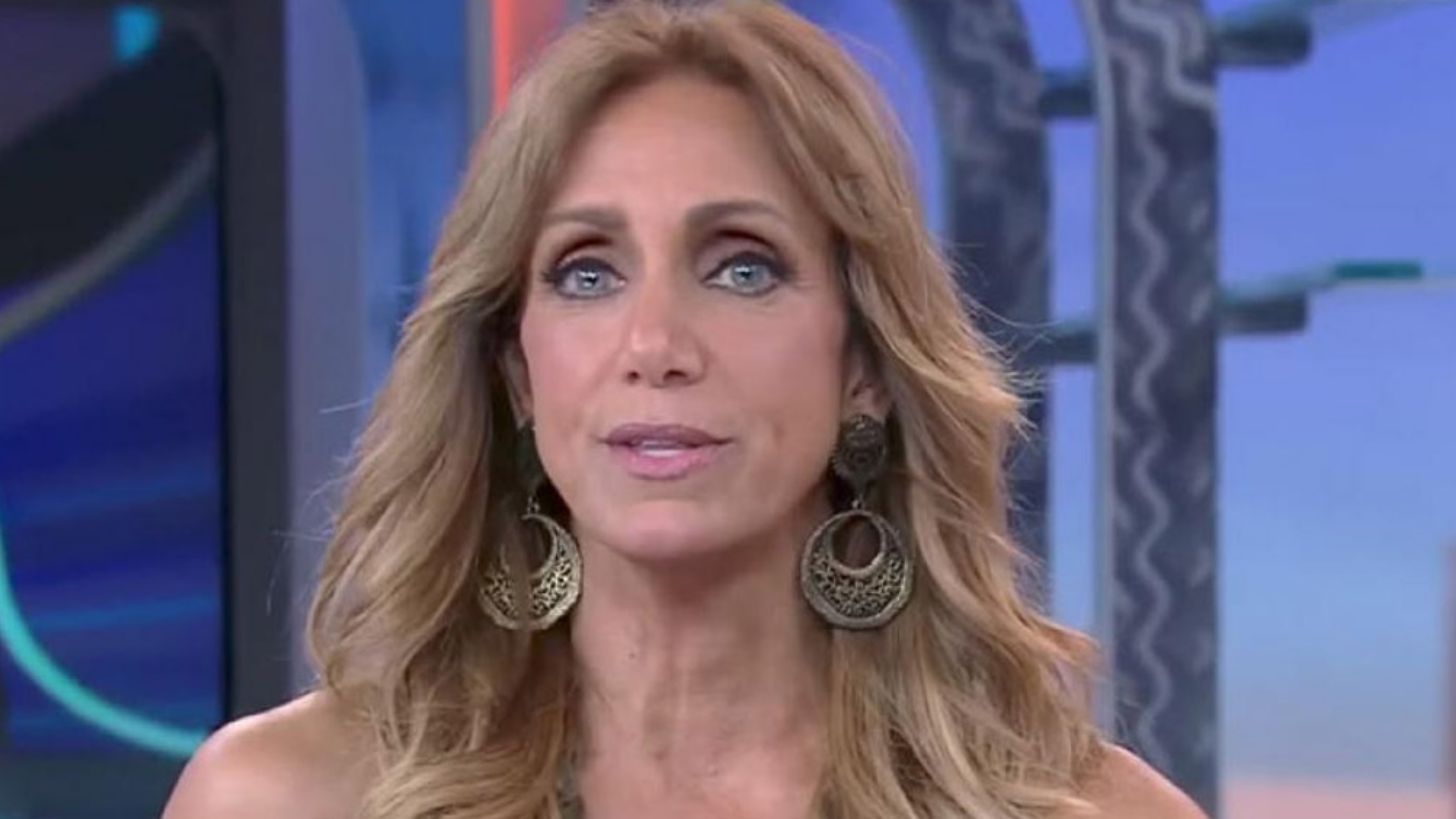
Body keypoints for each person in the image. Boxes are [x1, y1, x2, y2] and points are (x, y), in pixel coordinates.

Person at [164, 1, 1207, 817]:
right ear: (518, 373)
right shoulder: (282, 799)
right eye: (586, 273)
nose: (655, 346)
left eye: (742, 268)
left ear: (865, 365)